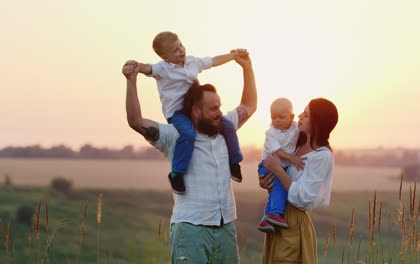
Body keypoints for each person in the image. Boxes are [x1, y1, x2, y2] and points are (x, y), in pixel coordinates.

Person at [123, 52, 257, 263]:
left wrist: (247, 68)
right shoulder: (174, 136)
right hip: (190, 230)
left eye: (219, 107)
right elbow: (136, 121)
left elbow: (249, 105)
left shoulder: (225, 129)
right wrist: (132, 82)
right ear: (195, 111)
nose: (219, 113)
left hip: (226, 228)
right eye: (213, 109)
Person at [125, 31, 245, 194]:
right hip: (177, 113)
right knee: (188, 134)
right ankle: (177, 173)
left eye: (180, 45)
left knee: (228, 126)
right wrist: (136, 66)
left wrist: (232, 56)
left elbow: (213, 61)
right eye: (175, 50)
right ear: (166, 57)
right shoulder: (163, 69)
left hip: (197, 108)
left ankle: (234, 163)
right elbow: (147, 68)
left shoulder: (193, 62)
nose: (181, 50)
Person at [258, 98, 338, 264]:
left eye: (306, 115)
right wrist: (266, 182)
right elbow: (281, 178)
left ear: (317, 123)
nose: (300, 116)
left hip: (293, 223)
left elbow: (304, 197)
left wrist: (278, 171)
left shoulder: (322, 156)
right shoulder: (296, 144)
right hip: (276, 217)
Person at [256, 98, 305, 233]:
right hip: (268, 164)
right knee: (279, 185)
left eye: (281, 117)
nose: (276, 120)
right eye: (273, 117)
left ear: (291, 117)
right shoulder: (271, 133)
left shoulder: (295, 127)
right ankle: (276, 214)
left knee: (273, 191)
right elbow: (276, 151)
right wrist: (291, 158)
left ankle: (266, 219)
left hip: (279, 165)